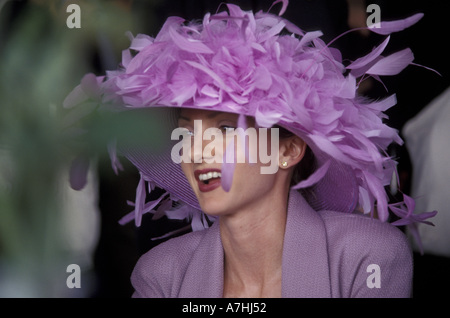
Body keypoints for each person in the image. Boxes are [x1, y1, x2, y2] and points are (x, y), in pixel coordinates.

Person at [64, 0, 436, 297]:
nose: (197, 150)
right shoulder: (160, 274)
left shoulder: (365, 256)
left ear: (289, 151)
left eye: (226, 129)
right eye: (186, 133)